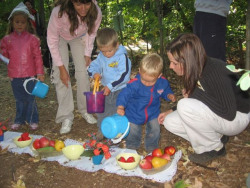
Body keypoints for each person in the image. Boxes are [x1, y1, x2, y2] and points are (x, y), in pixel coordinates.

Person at [158, 33, 250, 164]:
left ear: (187, 61)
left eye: (174, 63)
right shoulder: (194, 70)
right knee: (169, 121)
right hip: (220, 113)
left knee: (184, 105)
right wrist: (172, 110)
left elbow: (228, 113)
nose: (171, 67)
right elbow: (199, 100)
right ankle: (217, 137)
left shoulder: (215, 71)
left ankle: (213, 148)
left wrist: (194, 93)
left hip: (237, 117)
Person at [47, 0, 102, 134]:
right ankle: (66, 116)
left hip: (78, 38)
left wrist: (87, 54)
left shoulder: (96, 11)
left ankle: (84, 110)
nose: (83, 9)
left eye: (87, 4)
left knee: (83, 73)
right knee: (62, 77)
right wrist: (61, 68)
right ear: (71, 2)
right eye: (78, 4)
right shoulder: (59, 13)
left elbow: (92, 33)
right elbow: (52, 41)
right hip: (59, 38)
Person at [116, 53, 176, 153]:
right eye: (144, 79)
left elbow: (165, 90)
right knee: (133, 130)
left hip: (153, 112)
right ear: (140, 71)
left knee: (155, 129)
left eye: (151, 81)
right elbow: (124, 94)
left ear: (159, 76)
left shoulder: (162, 82)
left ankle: (152, 147)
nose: (147, 83)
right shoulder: (134, 84)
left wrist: (169, 95)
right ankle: (132, 146)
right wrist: (121, 107)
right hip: (134, 113)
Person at [0, 2, 44, 130]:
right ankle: (19, 119)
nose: (20, 24)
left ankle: (32, 119)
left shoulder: (33, 39)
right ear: (12, 23)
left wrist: (40, 73)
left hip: (30, 75)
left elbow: (37, 57)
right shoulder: (7, 39)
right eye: (17, 22)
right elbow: (4, 54)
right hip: (15, 76)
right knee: (19, 99)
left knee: (30, 99)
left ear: (27, 23)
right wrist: (9, 64)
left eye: (22, 22)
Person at [87, 27, 132, 140]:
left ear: (117, 45)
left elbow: (124, 75)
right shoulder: (102, 56)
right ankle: (102, 130)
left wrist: (110, 86)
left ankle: (116, 133)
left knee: (116, 110)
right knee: (103, 110)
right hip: (106, 89)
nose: (106, 54)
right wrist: (94, 73)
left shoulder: (122, 57)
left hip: (120, 89)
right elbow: (93, 65)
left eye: (109, 51)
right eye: (103, 51)